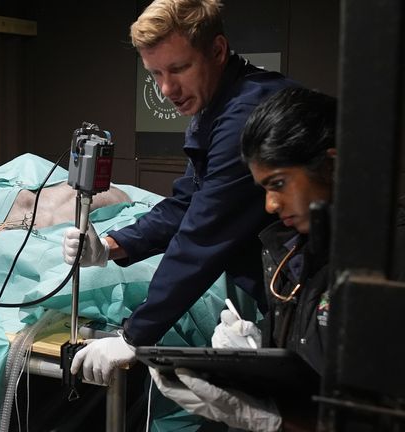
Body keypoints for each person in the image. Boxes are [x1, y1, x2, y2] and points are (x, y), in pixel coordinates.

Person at [65, 0, 297, 385]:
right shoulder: (216, 106)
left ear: (218, 51)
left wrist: (133, 335)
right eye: (154, 74)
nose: (167, 89)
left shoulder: (246, 114)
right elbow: (186, 203)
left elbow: (203, 233)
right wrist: (109, 246)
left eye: (178, 68)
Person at [150, 87, 405, 431]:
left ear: (332, 166)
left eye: (280, 183)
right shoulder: (290, 254)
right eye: (264, 189)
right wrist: (260, 358)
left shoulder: (387, 263)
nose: (270, 205)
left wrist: (280, 420)